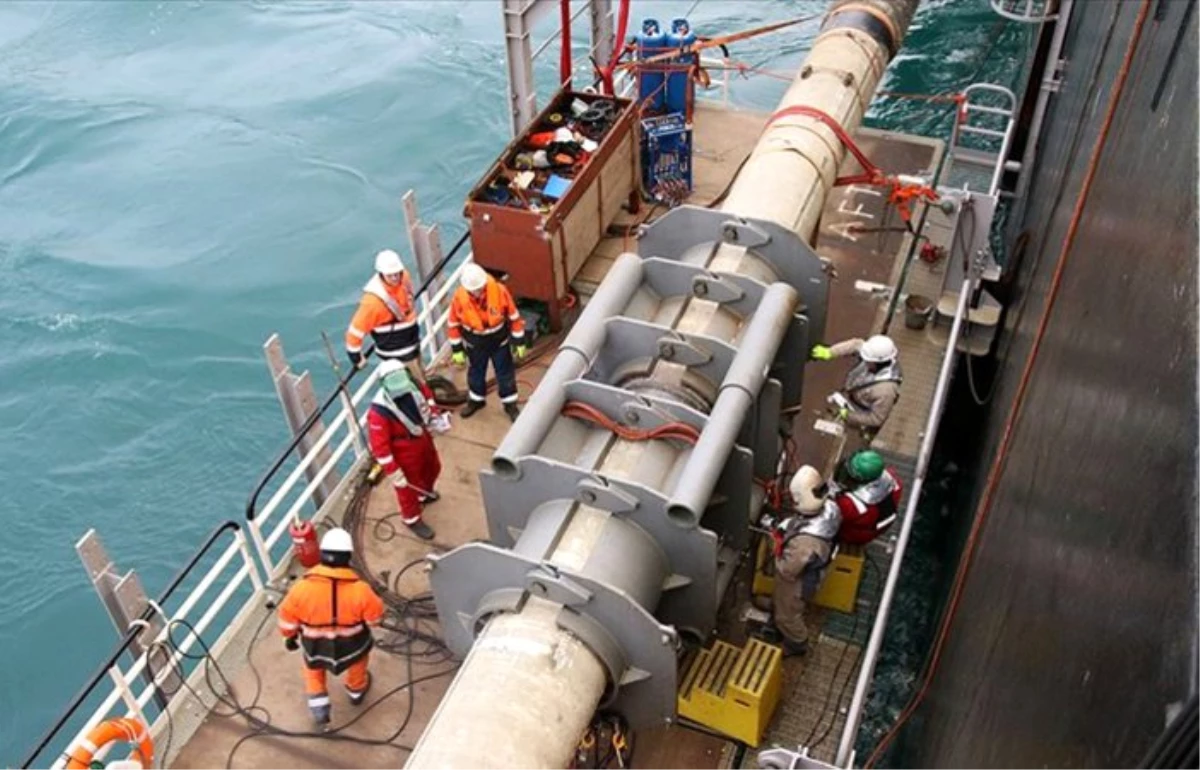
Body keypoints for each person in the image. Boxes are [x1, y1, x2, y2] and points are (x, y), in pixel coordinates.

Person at [277, 527, 385, 726]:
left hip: (315, 646)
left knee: (313, 670)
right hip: (353, 645)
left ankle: (319, 707)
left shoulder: (301, 589)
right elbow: (375, 620)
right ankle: (356, 691)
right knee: (357, 665)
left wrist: (289, 636)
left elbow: (286, 619)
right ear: (348, 557)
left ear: (322, 555)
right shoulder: (361, 590)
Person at [770, 465, 842, 656]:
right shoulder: (830, 509)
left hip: (799, 583)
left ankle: (797, 642)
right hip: (817, 565)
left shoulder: (804, 544)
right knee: (788, 605)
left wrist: (776, 546)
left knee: (787, 615)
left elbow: (788, 570)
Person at [367, 360, 442, 541]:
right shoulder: (379, 412)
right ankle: (412, 518)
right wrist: (394, 472)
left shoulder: (413, 385)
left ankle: (424, 494)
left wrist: (434, 413)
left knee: (433, 467)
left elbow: (427, 396)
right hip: (403, 448)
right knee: (407, 487)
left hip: (422, 436)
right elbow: (380, 448)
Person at [448, 263, 527, 421]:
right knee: (476, 373)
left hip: (499, 342)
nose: (477, 292)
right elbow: (453, 324)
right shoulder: (459, 298)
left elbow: (514, 317)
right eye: (474, 290)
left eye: (479, 288)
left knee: (505, 374)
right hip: (475, 344)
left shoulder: (499, 291)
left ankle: (510, 403)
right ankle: (476, 400)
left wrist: (519, 342)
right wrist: (457, 350)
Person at [810, 334, 902, 445]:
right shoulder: (874, 355)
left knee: (854, 440)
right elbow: (855, 345)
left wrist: (848, 415)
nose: (865, 361)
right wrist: (830, 352)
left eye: (868, 361)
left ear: (878, 363)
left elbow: (876, 419)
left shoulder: (886, 391)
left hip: (862, 412)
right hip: (854, 396)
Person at [345, 249, 421, 372]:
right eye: (390, 275)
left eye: (397, 273)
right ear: (381, 273)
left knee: (419, 376)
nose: (395, 277)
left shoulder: (404, 277)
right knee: (415, 384)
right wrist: (357, 359)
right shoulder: (372, 302)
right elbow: (354, 332)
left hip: (412, 342)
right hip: (396, 353)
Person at [831, 449, 903, 545]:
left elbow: (831, 513)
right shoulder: (895, 482)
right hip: (877, 525)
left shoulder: (851, 505)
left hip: (856, 534)